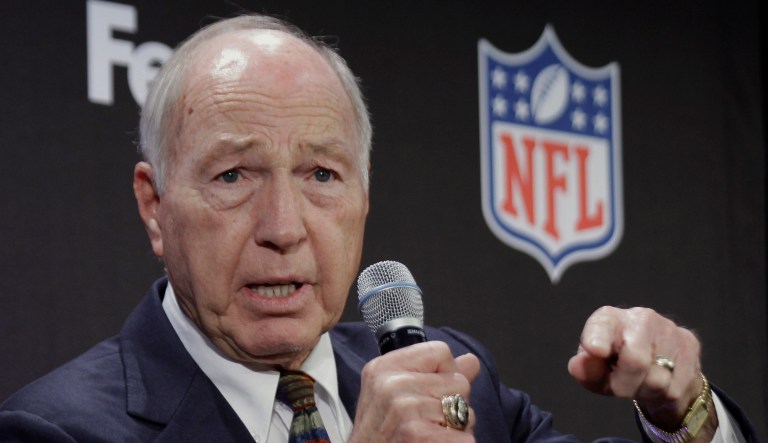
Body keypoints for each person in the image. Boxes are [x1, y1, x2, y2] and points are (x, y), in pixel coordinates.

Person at [0, 14, 757, 443]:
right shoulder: (52, 432)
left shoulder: (453, 375)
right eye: (234, 176)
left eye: (322, 175)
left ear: (364, 196)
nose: (284, 227)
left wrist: (685, 409)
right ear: (154, 206)